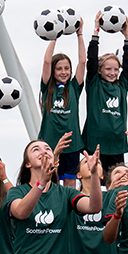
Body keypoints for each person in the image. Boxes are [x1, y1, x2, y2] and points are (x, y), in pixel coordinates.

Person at [4, 140, 102, 254]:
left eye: (47, 149)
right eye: (36, 149)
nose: (43, 151)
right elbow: (21, 212)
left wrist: (94, 173)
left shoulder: (66, 193)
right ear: (27, 164)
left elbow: (94, 207)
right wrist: (41, 183)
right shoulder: (17, 192)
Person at [82, 12, 128, 170]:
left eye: (116, 69)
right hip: (95, 143)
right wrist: (95, 32)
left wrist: (127, 37)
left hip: (116, 144)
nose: (113, 73)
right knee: (95, 180)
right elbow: (91, 61)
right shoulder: (94, 84)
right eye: (108, 69)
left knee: (117, 180)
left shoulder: (122, 86)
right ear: (99, 70)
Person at [38, 23, 86, 187]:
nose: (64, 72)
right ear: (53, 71)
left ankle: (69, 204)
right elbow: (46, 61)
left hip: (72, 144)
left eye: (67, 68)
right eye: (59, 69)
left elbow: (82, 62)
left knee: (70, 181)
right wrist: (54, 36)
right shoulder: (47, 88)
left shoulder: (74, 87)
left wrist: (79, 35)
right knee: (51, 180)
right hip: (50, 143)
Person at [69, 157, 115, 254]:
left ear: (102, 175)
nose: (92, 163)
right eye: (86, 162)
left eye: (98, 162)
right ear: (78, 175)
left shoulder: (110, 197)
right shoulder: (69, 198)